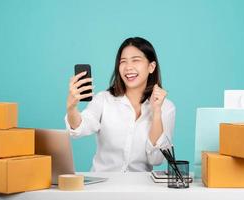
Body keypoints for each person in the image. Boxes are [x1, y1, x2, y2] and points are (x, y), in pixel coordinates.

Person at [65, 37, 176, 172]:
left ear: (151, 67)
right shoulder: (103, 99)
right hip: (103, 184)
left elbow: (157, 159)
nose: (128, 67)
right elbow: (79, 128)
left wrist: (156, 112)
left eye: (136, 60)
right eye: (123, 62)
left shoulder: (167, 107)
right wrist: (72, 108)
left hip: (140, 187)